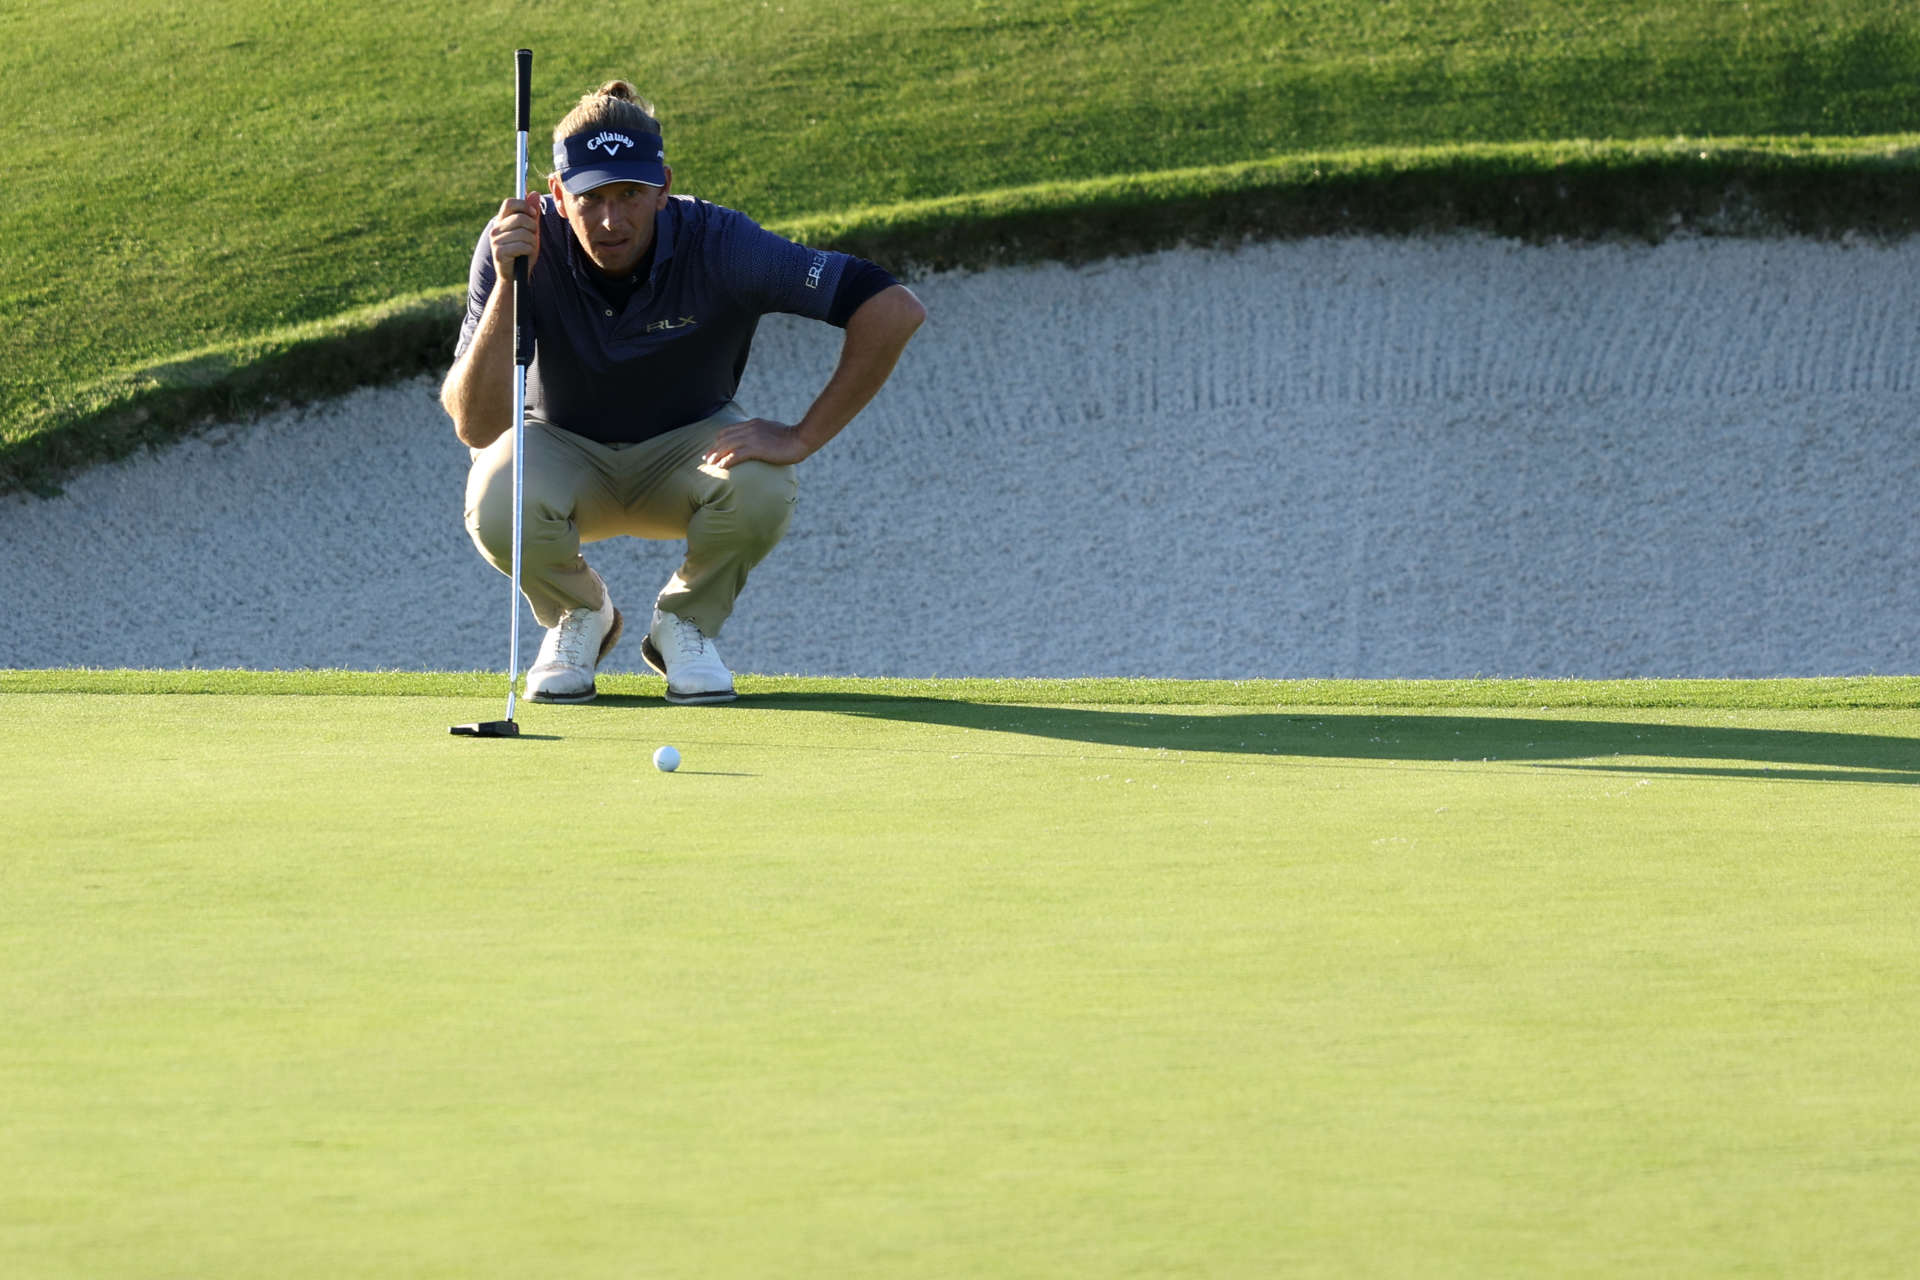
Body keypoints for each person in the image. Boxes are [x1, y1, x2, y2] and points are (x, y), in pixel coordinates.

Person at [442, 79, 926, 704]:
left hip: (689, 448)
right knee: (494, 492)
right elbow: (475, 427)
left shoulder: (722, 244)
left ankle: (685, 623)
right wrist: (513, 286)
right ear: (558, 194)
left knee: (762, 483)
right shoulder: (516, 242)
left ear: (664, 186)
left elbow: (892, 308)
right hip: (560, 445)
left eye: (631, 195)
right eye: (591, 198)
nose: (612, 219)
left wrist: (803, 436)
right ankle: (580, 616)